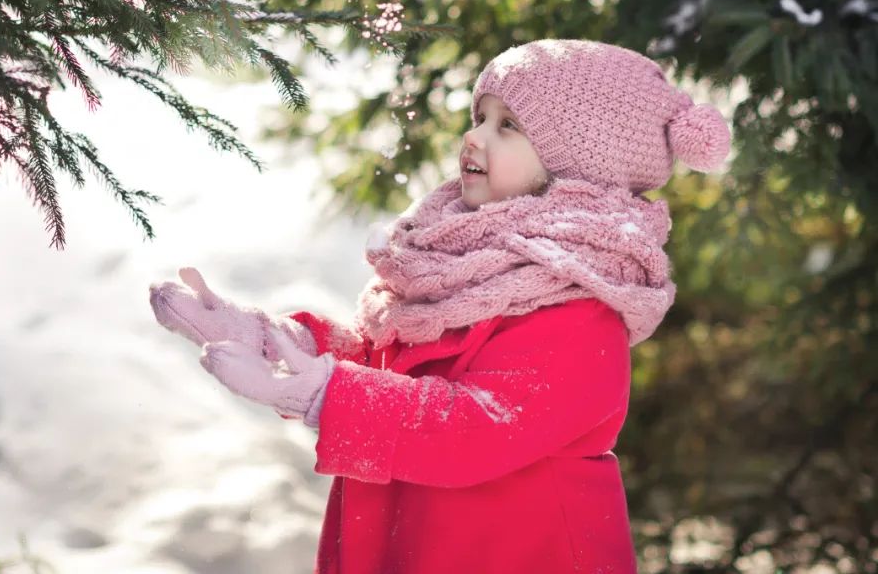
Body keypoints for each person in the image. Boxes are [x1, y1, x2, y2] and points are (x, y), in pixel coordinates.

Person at [148, 39, 732, 573]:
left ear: (577, 168)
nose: (474, 137)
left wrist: (326, 395)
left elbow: (476, 428)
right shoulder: (460, 261)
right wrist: (283, 343)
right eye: (480, 117)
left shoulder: (583, 310)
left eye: (509, 126)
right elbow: (392, 364)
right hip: (408, 545)